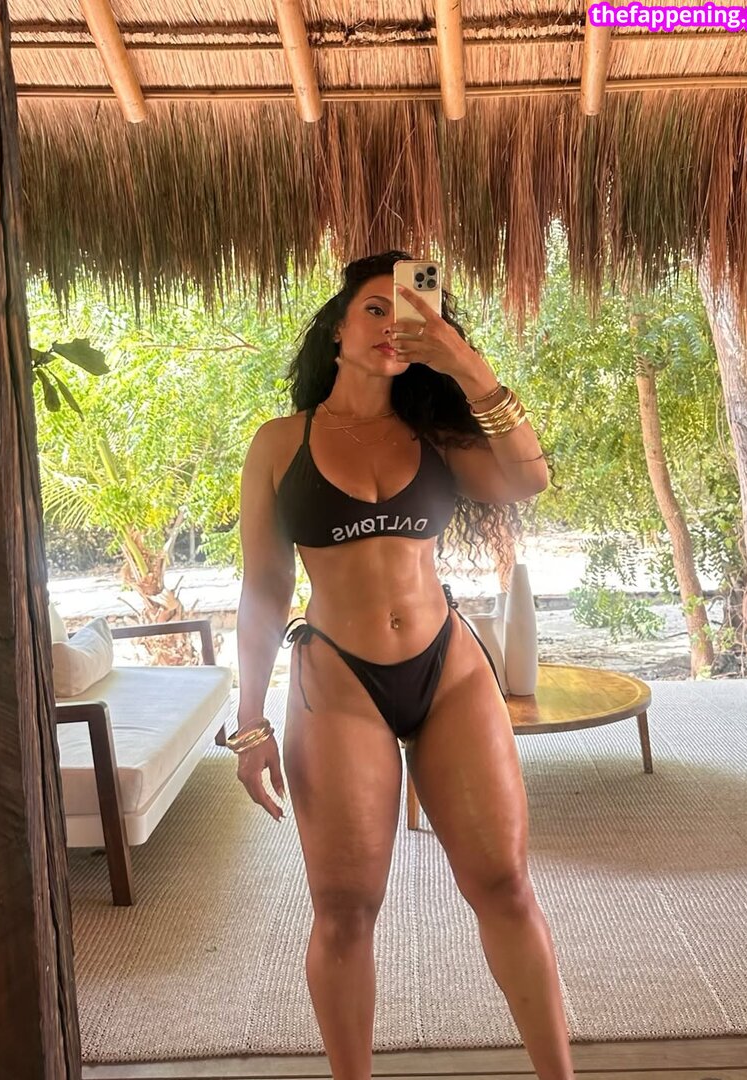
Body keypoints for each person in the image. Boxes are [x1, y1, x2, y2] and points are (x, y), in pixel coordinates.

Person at [233, 251, 575, 1080]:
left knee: (503, 885)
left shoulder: (437, 434)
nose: (394, 325)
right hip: (337, 676)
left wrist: (462, 362)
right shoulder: (280, 442)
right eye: (376, 309)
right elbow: (265, 585)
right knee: (345, 910)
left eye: (414, 311)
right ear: (337, 329)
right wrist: (248, 723)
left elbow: (527, 479)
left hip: (446, 666)